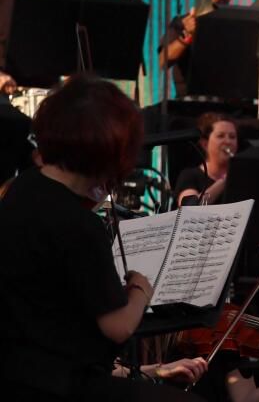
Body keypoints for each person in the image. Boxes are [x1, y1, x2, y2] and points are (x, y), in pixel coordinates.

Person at [0, 74, 207, 399]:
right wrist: (140, 289)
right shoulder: (79, 223)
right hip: (61, 385)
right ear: (113, 152)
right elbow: (118, 326)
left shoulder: (21, 188)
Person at [159, 0, 235, 97]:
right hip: (190, 103)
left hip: (227, 103)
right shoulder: (182, 22)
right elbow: (163, 61)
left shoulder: (235, 26)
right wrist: (187, 36)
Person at [176, 112, 239, 205]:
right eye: (220, 136)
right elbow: (189, 207)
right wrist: (224, 180)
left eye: (232, 137)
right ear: (205, 144)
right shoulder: (189, 176)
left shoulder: (242, 177)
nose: (228, 141)